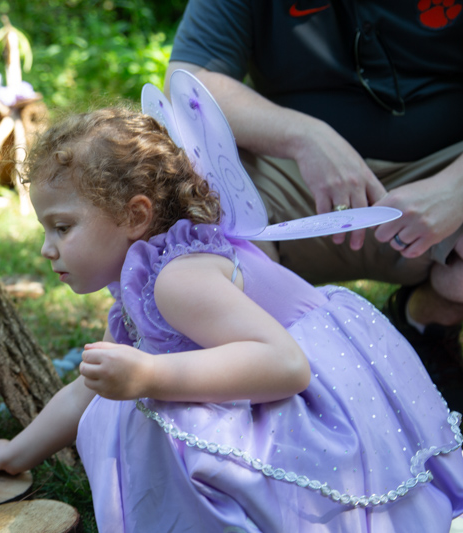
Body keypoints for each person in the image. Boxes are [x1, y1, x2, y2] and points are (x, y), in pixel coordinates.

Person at [0, 107, 463, 532]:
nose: (47, 248)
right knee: (128, 396)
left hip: (322, 391)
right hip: (279, 370)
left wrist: (150, 373)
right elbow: (87, 387)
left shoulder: (177, 280)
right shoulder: (143, 276)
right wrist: (16, 453)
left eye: (62, 227)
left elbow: (287, 366)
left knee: (144, 401)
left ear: (134, 216)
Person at [165, 0, 463, 412]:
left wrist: (456, 188)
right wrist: (304, 136)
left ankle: (428, 324)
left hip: (444, 165)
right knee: (195, 204)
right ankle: (267, 370)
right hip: (291, 181)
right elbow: (188, 80)